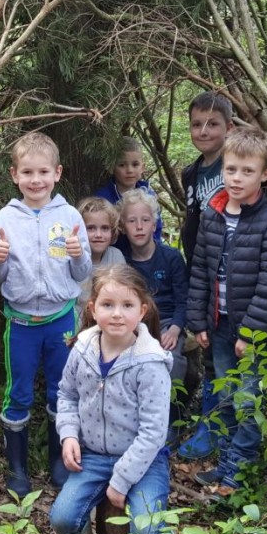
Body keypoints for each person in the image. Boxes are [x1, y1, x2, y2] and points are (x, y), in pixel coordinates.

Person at [186, 124, 267, 497]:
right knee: (227, 399)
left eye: (247, 171)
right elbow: (199, 267)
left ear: (264, 175)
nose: (237, 178)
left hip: (248, 330)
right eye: (231, 169)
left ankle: (238, 474)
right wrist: (197, 320)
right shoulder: (213, 214)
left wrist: (251, 332)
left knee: (248, 400)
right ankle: (227, 463)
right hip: (218, 324)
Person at [0, 132, 92, 495]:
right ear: (15, 175)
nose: (35, 180)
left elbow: (82, 273)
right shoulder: (5, 218)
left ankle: (60, 459)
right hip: (21, 323)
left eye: (43, 172)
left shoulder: (70, 215)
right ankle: (17, 467)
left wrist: (78, 253)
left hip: (62, 321)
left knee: (62, 390)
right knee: (18, 393)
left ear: (57, 173)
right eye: (27, 172)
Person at [49, 265, 172, 534]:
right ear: (92, 309)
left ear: (142, 311)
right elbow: (67, 394)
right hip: (93, 455)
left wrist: (121, 480)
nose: (117, 314)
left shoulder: (149, 362)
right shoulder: (82, 350)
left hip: (144, 461)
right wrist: (68, 435)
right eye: (108, 305)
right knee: (63, 518)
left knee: (147, 529)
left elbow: (153, 431)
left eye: (127, 305)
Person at [177, 90, 236, 460]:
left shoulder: (235, 166)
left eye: (213, 124)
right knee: (213, 352)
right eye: (197, 124)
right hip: (203, 271)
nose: (204, 131)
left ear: (229, 127)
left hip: (232, 274)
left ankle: (222, 429)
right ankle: (211, 425)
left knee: (229, 358)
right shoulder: (193, 172)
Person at [119, 189, 189, 441]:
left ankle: (169, 420)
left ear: (155, 223)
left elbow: (184, 300)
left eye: (145, 220)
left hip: (168, 322)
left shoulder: (170, 257)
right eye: (131, 221)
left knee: (174, 361)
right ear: (122, 225)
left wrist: (176, 328)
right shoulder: (122, 260)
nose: (139, 227)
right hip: (133, 324)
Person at [94, 136, 163, 252]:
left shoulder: (149, 197)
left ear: (142, 168)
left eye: (135, 164)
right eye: (122, 165)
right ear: (112, 167)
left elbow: (157, 230)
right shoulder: (102, 199)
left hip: (145, 256)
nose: (129, 170)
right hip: (114, 258)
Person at [75, 197, 126, 312]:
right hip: (77, 321)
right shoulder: (73, 258)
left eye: (105, 228)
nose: (98, 234)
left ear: (112, 231)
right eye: (91, 228)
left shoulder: (116, 256)